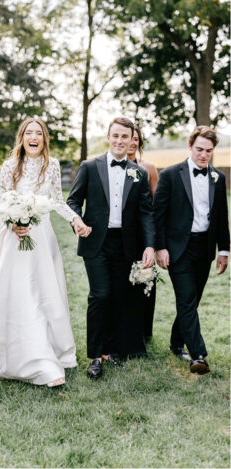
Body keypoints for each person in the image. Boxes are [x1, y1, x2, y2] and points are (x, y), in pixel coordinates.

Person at [0, 118, 84, 387]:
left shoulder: (52, 165)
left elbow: (57, 200)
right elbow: (2, 202)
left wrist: (75, 220)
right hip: (14, 239)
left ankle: (46, 351)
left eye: (39, 133)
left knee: (43, 290)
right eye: (28, 133)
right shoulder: (10, 166)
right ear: (21, 138)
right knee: (21, 291)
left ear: (44, 139)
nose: (34, 137)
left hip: (43, 239)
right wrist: (13, 223)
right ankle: (31, 358)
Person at [66, 117, 155, 380]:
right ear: (108, 137)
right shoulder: (90, 167)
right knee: (100, 295)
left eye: (125, 137)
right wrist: (77, 220)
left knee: (118, 297)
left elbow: (146, 213)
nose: (119, 141)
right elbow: (73, 201)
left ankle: (110, 352)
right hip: (96, 242)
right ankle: (94, 355)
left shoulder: (138, 172)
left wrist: (149, 245)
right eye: (115, 136)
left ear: (131, 141)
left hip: (126, 244)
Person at [154, 126, 230, 374]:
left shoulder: (218, 178)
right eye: (199, 149)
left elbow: (221, 217)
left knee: (192, 300)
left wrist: (224, 250)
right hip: (178, 249)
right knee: (186, 299)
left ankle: (177, 342)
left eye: (209, 151)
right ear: (190, 147)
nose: (204, 155)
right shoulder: (171, 175)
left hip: (205, 248)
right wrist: (160, 247)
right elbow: (159, 215)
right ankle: (198, 354)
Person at [127, 124, 160, 346]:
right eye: (129, 138)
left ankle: (144, 330)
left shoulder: (148, 168)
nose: (131, 142)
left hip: (143, 233)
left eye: (136, 139)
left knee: (145, 279)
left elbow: (155, 204)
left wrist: (153, 240)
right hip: (122, 232)